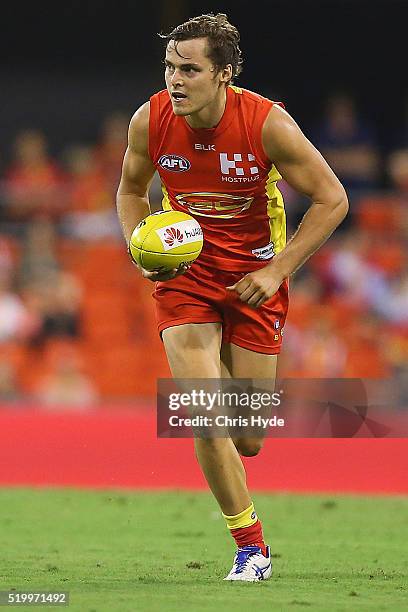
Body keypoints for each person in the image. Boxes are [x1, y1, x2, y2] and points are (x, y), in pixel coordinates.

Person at [116, 13, 348, 582]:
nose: (175, 78)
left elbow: (332, 199)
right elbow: (129, 190)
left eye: (189, 68)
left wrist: (279, 271)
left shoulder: (268, 124)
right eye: (170, 66)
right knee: (203, 411)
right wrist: (140, 247)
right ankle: (251, 547)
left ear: (223, 74)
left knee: (248, 437)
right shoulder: (150, 119)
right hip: (186, 278)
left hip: (253, 280)